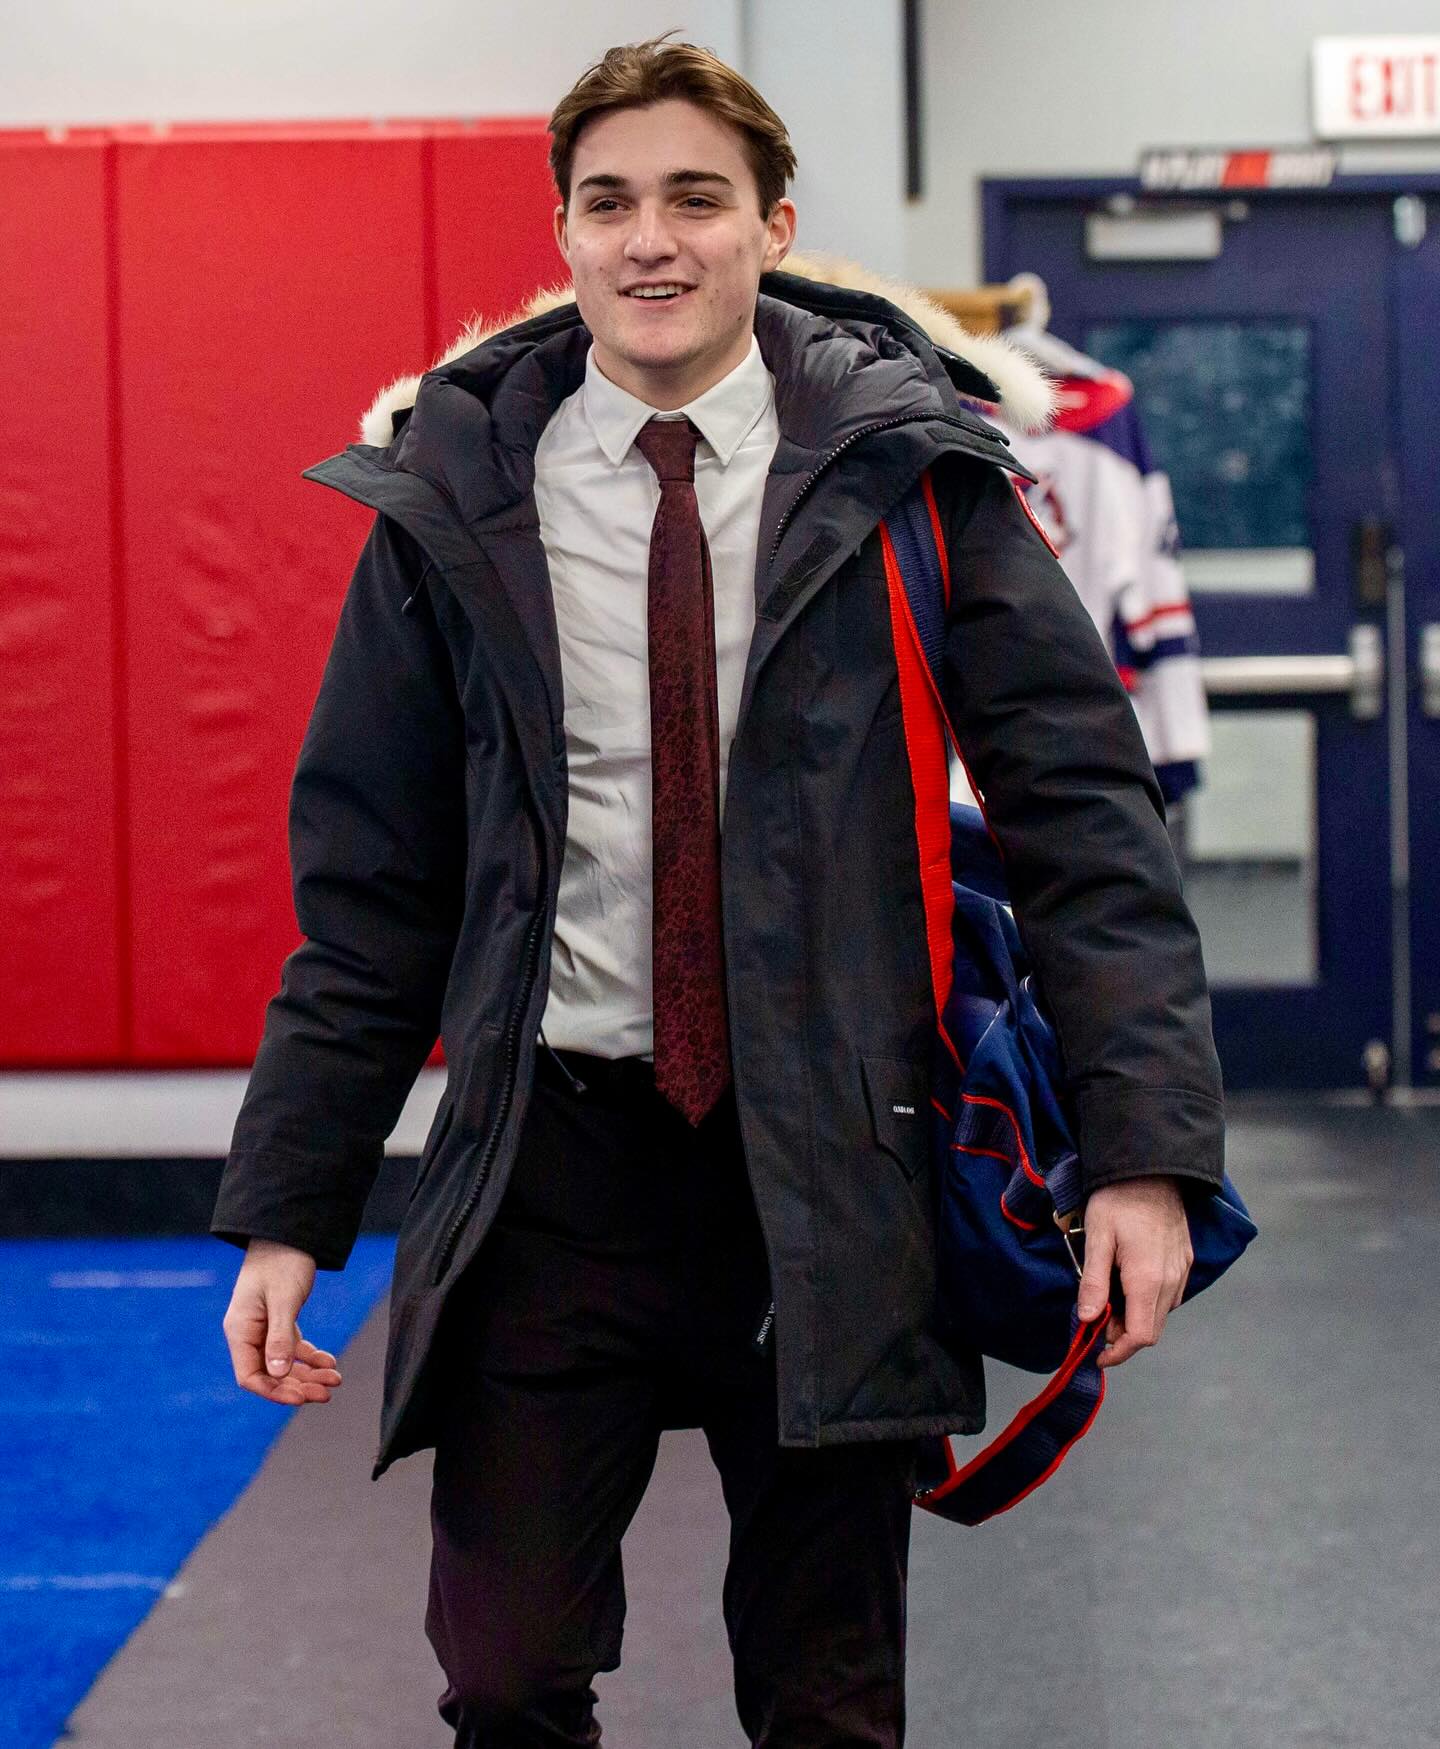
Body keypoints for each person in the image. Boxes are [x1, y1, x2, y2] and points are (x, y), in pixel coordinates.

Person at [213, 31, 1224, 1747]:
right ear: (567, 237)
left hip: (832, 1160)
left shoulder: (918, 477)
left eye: (696, 197)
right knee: (509, 1675)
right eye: (608, 203)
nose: (651, 238)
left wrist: (1145, 1156)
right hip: (553, 1165)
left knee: (828, 1703)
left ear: (774, 224)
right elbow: (373, 893)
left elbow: (1087, 829)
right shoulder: (458, 502)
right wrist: (292, 1205)